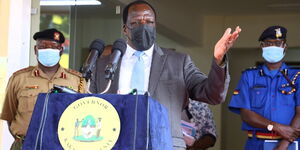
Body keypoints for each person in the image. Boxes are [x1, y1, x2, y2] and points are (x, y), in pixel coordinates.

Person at [89, 0, 241, 149]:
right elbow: (90, 107)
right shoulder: (103, 65)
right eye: (136, 22)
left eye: (149, 21)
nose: (144, 26)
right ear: (125, 28)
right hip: (115, 143)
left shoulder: (178, 62)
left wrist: (218, 60)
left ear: (155, 25)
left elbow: (212, 94)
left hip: (163, 143)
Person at [0, 28, 86, 150]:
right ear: (36, 50)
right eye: (43, 46)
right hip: (26, 145)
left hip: (63, 146)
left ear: (61, 50)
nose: (48, 50)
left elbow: (84, 113)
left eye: (53, 47)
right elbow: (10, 115)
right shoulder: (19, 79)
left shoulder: (77, 80)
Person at [228, 25, 300, 150]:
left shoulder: (297, 76)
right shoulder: (249, 76)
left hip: (290, 143)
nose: (273, 47)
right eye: (268, 43)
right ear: (262, 46)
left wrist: (284, 143)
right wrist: (276, 127)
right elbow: (246, 115)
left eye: (278, 43)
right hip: (256, 143)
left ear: (284, 47)